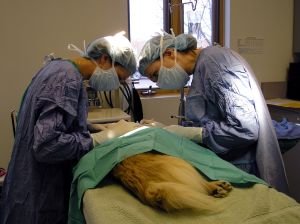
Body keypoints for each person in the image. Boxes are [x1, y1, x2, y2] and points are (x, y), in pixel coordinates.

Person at [0, 32, 136, 224]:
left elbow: (52, 120)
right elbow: (47, 144)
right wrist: (93, 141)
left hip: (26, 181)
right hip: (40, 192)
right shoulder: (67, 78)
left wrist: (92, 127)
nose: (119, 84)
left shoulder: (57, 67)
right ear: (105, 59)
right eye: (120, 78)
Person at [138, 32, 289, 194]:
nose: (158, 82)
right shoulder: (203, 67)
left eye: (155, 74)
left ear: (169, 53)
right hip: (230, 165)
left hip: (240, 169)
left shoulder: (214, 63)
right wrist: (169, 131)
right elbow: (212, 116)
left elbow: (246, 128)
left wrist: (195, 134)